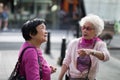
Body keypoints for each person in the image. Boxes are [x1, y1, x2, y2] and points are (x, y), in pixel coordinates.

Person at [58, 14, 110, 80]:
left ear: (96, 31)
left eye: (88, 28)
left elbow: (106, 57)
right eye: (83, 28)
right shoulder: (74, 43)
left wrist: (91, 52)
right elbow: (66, 62)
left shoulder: (99, 44)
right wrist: (60, 78)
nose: (84, 30)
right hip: (72, 78)